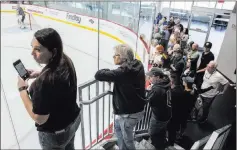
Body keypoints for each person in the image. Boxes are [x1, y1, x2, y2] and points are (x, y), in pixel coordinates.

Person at [17, 28, 81, 149]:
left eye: (38, 49)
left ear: (53, 51)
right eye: (32, 47)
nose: (32, 53)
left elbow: (40, 119)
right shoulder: (65, 59)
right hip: (73, 121)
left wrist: (22, 90)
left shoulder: (44, 83)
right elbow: (56, 76)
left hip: (56, 135)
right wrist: (41, 73)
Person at [94, 44, 146, 150]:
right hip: (136, 109)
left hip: (130, 113)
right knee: (117, 126)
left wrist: (111, 73)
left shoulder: (122, 73)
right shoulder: (138, 64)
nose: (113, 57)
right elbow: (122, 75)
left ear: (123, 57)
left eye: (116, 55)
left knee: (128, 139)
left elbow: (98, 74)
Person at [146, 67, 171, 150]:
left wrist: (149, 90)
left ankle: (156, 146)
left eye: (150, 77)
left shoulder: (157, 89)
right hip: (167, 114)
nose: (149, 79)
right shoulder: (166, 83)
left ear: (157, 77)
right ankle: (163, 143)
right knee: (161, 131)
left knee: (152, 134)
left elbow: (147, 101)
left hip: (159, 117)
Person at [167, 75, 184, 148]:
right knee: (173, 131)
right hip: (179, 114)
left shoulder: (173, 92)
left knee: (171, 131)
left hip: (173, 115)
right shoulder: (181, 88)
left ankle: (170, 144)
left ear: (171, 82)